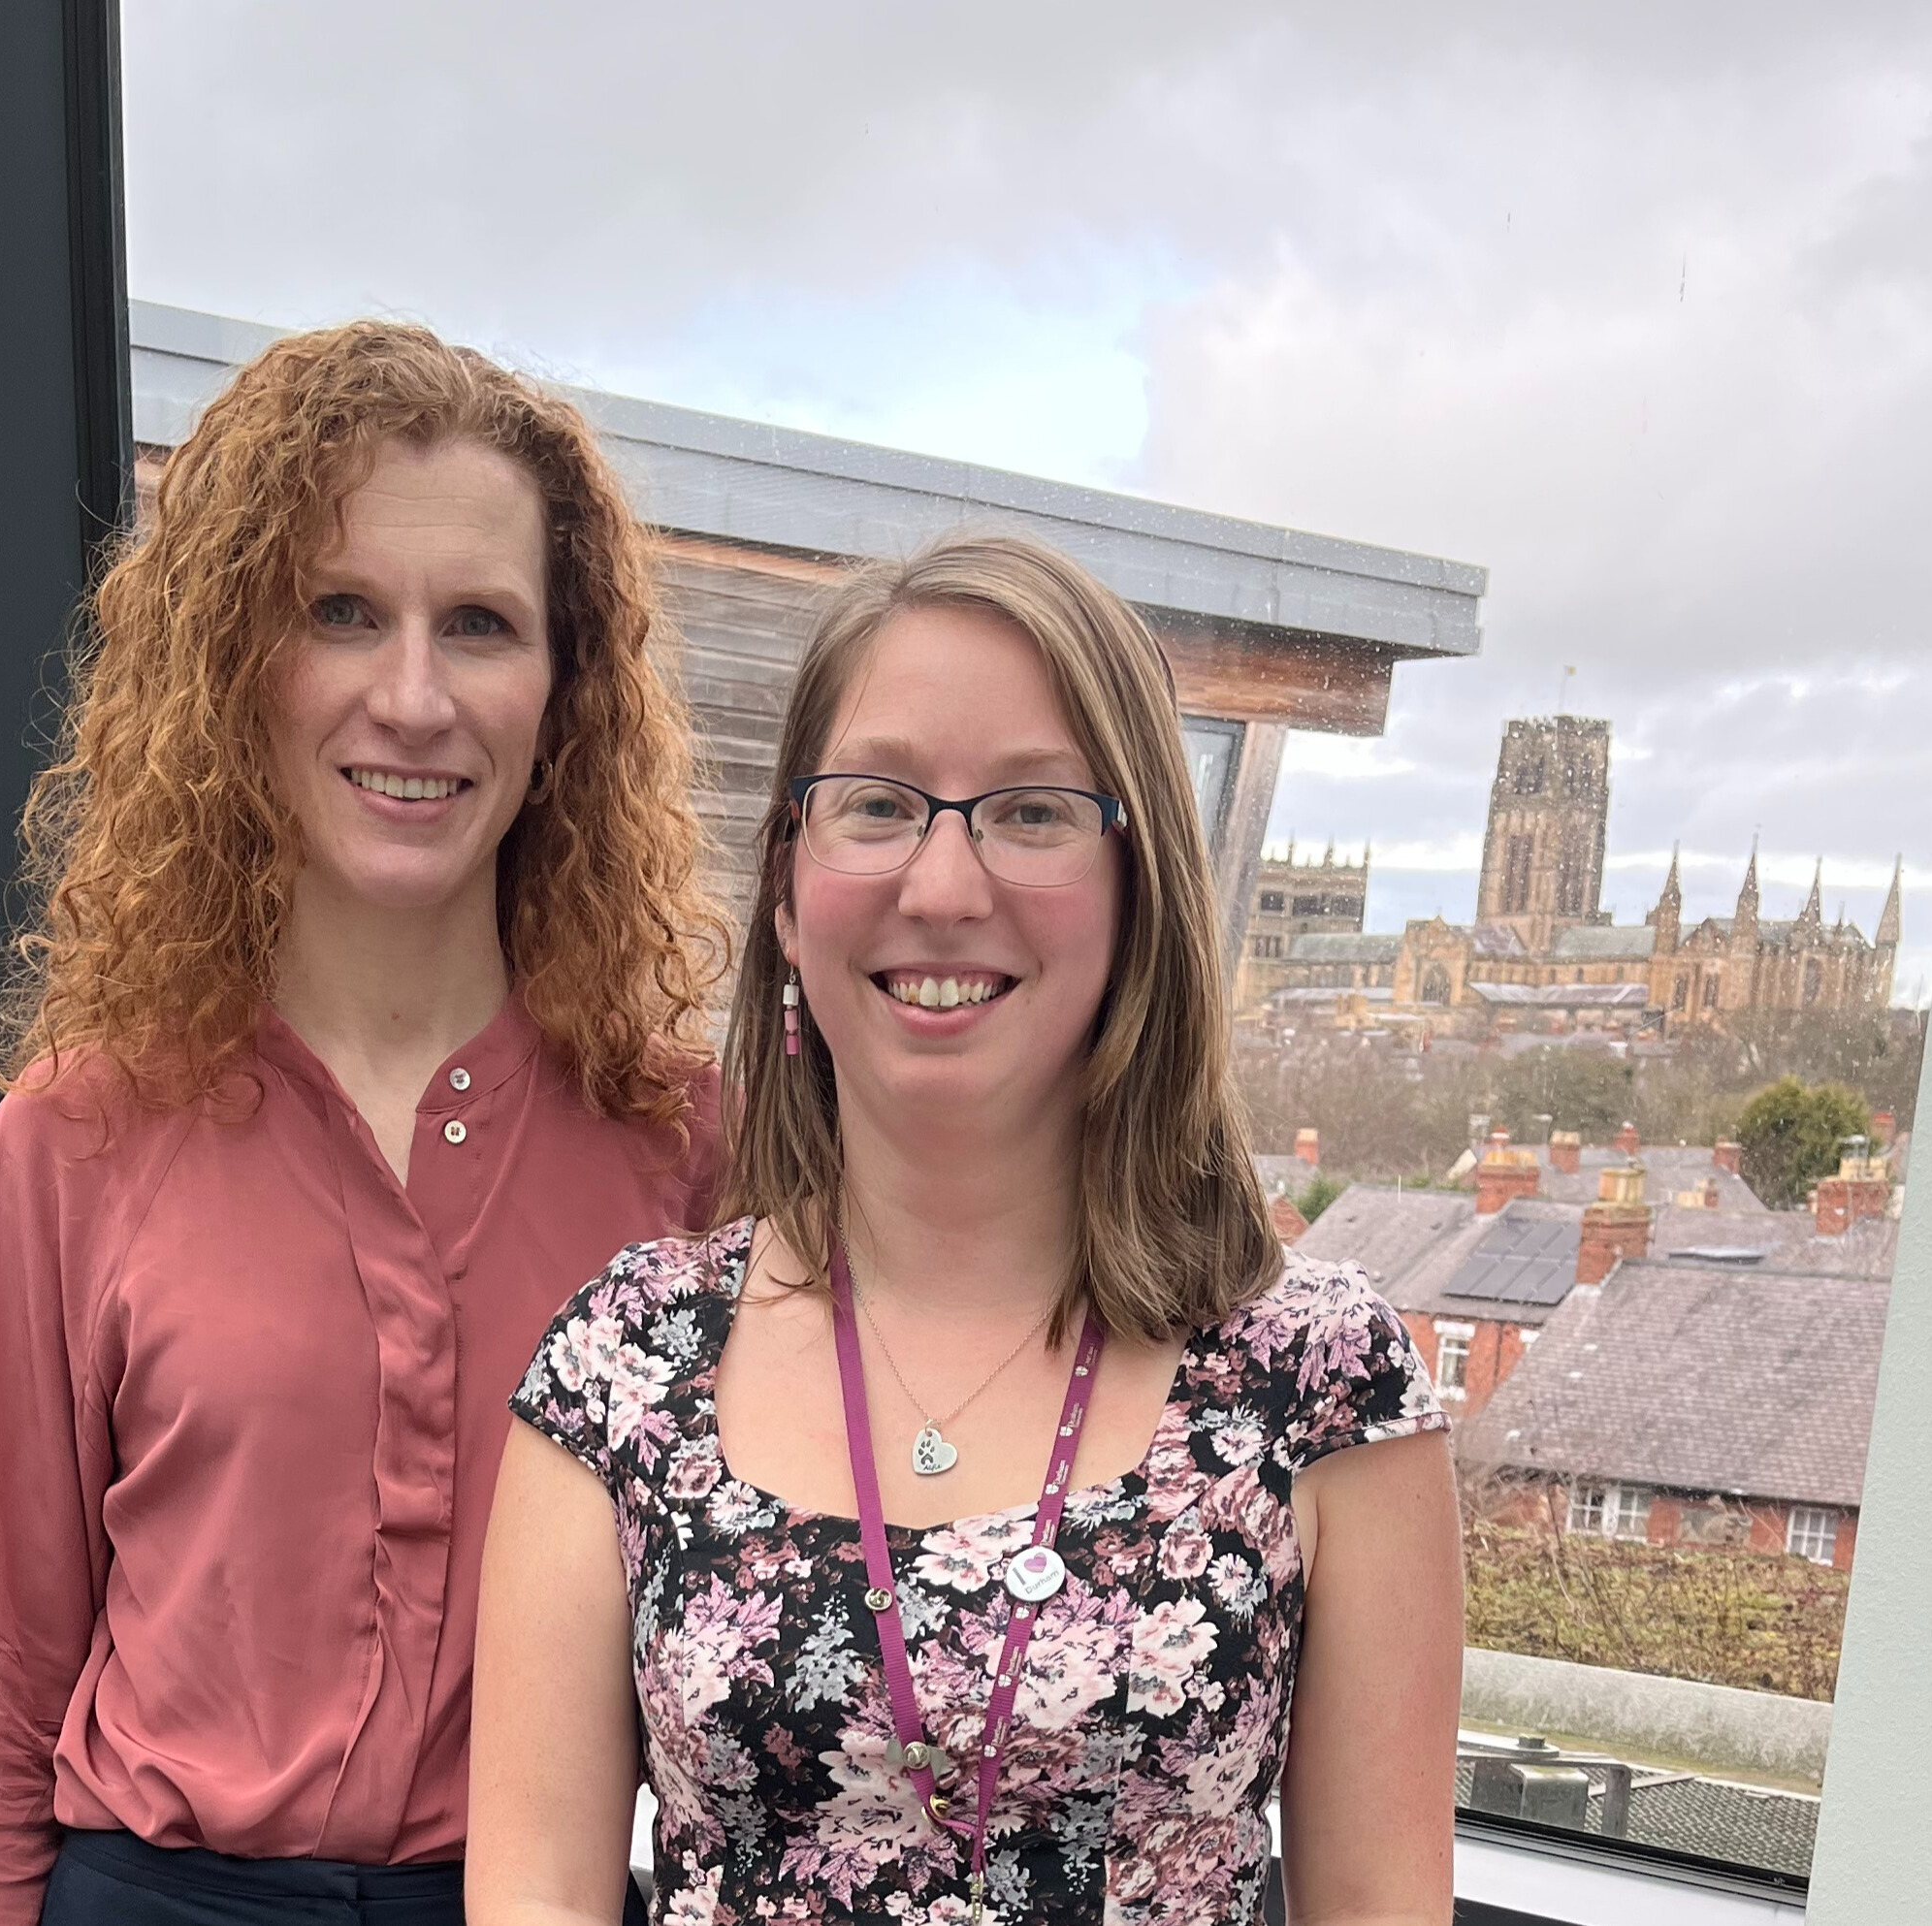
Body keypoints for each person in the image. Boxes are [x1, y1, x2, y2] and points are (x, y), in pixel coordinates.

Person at [468, 533, 1464, 1926]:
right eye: (877, 804)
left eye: (1032, 811)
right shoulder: (621, 1371)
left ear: (1141, 888)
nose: (942, 886)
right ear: (785, 884)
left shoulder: (1324, 1382)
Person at [0, 322, 723, 1926]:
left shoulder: (678, 1149)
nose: (413, 696)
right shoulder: (81, 1139)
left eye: (481, 623)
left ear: (565, 688)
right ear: (234, 666)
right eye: (341, 612)